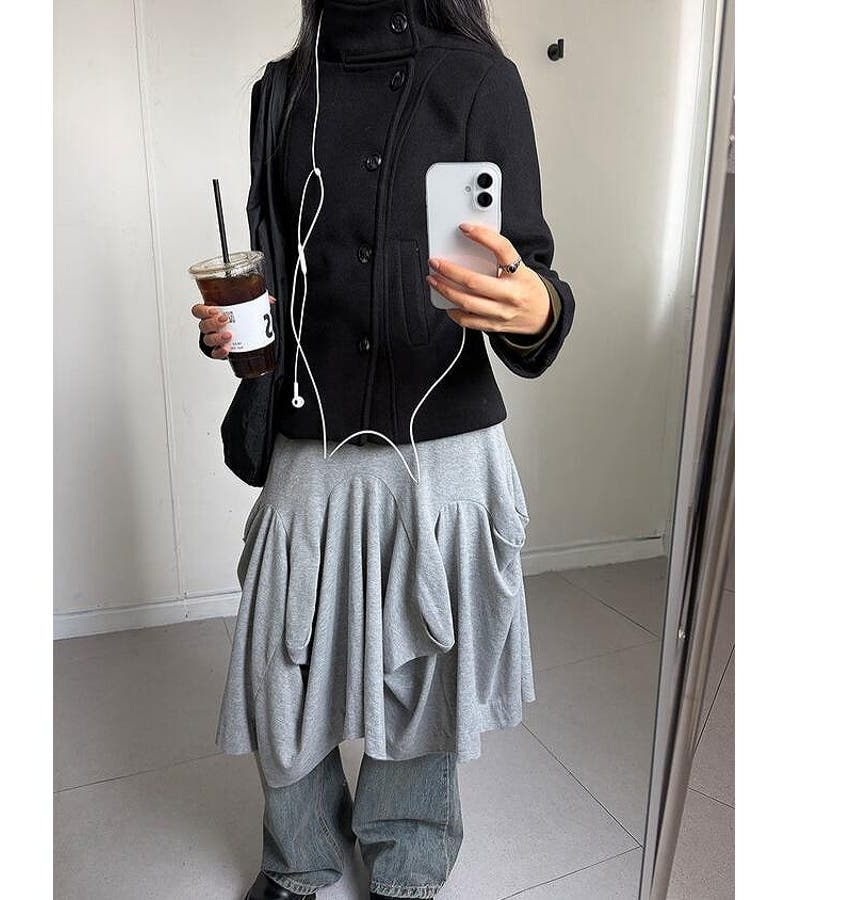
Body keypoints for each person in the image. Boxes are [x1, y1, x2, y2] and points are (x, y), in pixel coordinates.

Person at [191, 2, 575, 898]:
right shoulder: (282, 90)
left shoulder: (480, 81)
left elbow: (530, 275)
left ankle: (409, 858)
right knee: (282, 663)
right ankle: (299, 856)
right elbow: (280, 264)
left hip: (445, 441)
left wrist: (538, 307)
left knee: (425, 671)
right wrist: (238, 328)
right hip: (312, 420)